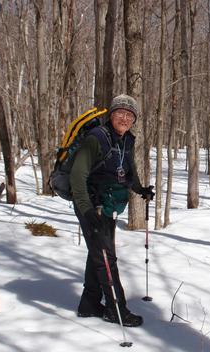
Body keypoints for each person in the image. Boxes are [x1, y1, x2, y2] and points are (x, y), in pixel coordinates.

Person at [70, 94, 154, 327]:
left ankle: (89, 304)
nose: (124, 118)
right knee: (107, 257)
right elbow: (78, 175)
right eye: (120, 113)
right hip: (90, 204)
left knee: (98, 253)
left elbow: (128, 171)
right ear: (112, 114)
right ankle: (117, 309)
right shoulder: (96, 138)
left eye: (130, 115)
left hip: (108, 204)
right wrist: (86, 210)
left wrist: (140, 189)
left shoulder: (127, 140)